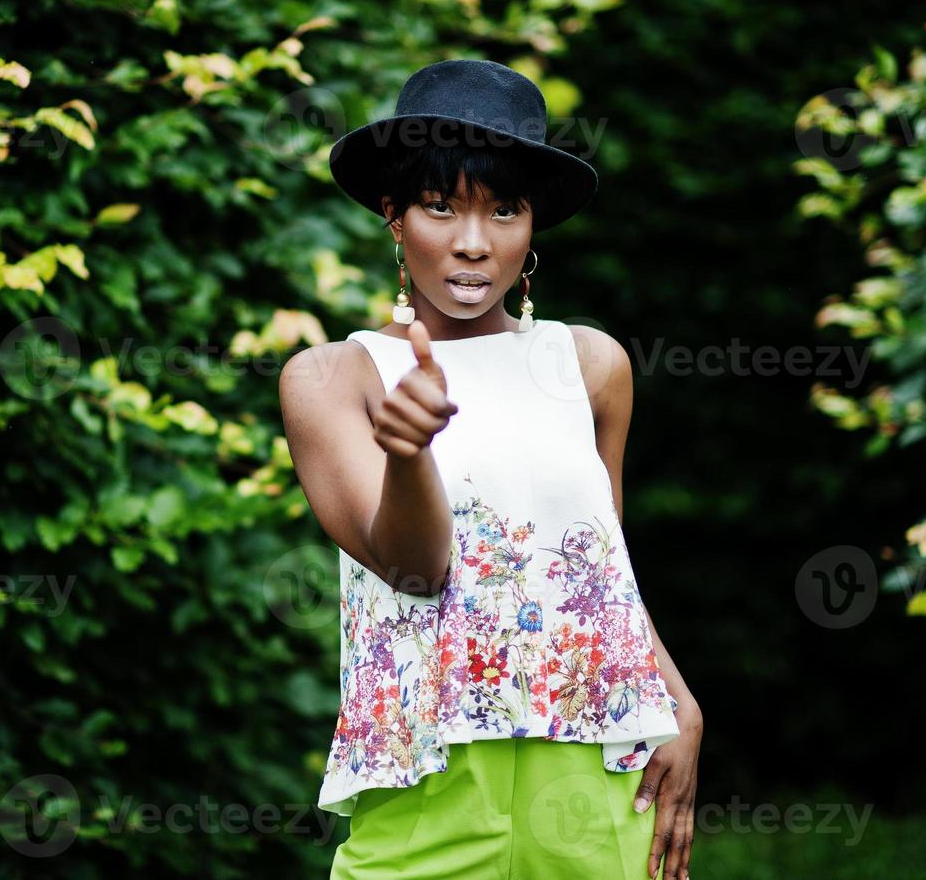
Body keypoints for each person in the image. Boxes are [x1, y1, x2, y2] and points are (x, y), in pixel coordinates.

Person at [279, 59, 702, 879]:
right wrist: (409, 453)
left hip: (598, 764)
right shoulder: (336, 375)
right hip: (427, 771)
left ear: (531, 225)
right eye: (441, 206)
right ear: (393, 215)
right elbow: (415, 567)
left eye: (503, 210)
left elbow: (599, 565)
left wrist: (678, 701)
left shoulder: (590, 363)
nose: (474, 242)